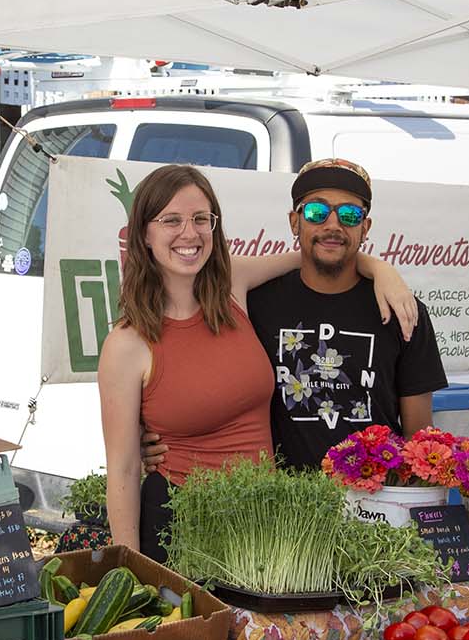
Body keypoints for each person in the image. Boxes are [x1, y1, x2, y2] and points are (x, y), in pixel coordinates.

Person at [99, 163, 417, 560]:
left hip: (262, 523)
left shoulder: (234, 287)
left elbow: (315, 254)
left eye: (201, 219)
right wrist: (129, 568)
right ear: (144, 233)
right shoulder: (127, 345)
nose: (189, 233)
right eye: (171, 220)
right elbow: (124, 471)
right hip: (180, 526)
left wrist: (381, 269)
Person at [243, 157, 447, 470]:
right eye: (316, 212)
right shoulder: (255, 304)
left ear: (365, 228)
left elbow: (419, 437)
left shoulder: (403, 310)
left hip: (375, 505)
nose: (333, 225)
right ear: (294, 221)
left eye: (350, 215)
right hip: (281, 507)